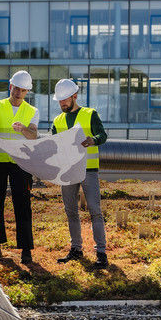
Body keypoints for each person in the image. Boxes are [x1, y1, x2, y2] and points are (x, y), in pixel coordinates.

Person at [51, 78, 110, 267]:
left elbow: (103, 135)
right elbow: (53, 145)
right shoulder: (57, 121)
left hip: (88, 170)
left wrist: (93, 140)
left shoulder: (90, 114)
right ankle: (76, 249)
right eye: (60, 101)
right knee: (71, 211)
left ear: (74, 96)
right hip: (68, 171)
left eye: (65, 100)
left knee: (95, 210)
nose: (62, 104)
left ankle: (101, 253)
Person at [0, 70, 38, 263]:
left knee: (23, 204)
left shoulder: (32, 111)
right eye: (16, 88)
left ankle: (26, 250)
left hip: (21, 163)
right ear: (10, 86)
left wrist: (23, 129)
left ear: (27, 91)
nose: (18, 92)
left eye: (23, 90)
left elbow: (34, 136)